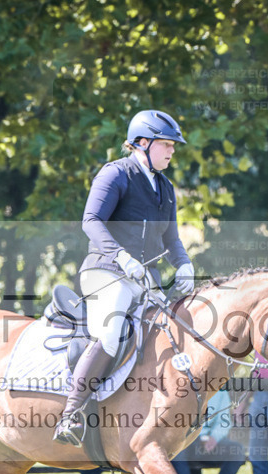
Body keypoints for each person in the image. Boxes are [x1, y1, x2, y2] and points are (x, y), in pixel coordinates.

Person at [54, 109, 195, 446]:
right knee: (114, 328)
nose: (172, 151)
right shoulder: (115, 174)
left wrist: (185, 264)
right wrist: (121, 256)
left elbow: (171, 239)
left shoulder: (165, 187)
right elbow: (91, 220)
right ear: (142, 143)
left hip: (144, 281)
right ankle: (70, 415)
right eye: (166, 145)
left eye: (173, 146)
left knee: (179, 329)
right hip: (105, 271)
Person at [171, 389, 245, 474]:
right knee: (178, 452)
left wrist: (214, 437)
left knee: (236, 450)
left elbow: (224, 421)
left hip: (210, 441)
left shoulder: (221, 392)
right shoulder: (184, 389)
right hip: (186, 440)